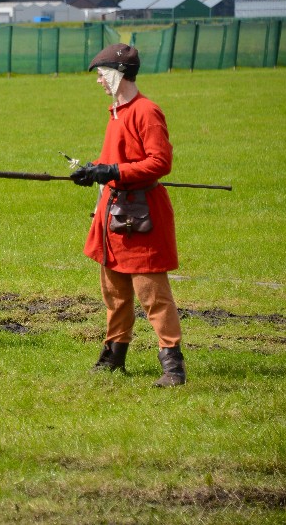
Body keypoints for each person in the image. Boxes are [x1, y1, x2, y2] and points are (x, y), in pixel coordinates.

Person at [70, 43, 186, 387]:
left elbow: (158, 162)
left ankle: (172, 367)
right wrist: (94, 171)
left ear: (120, 75)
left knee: (153, 295)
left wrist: (112, 171)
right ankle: (114, 357)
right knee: (115, 292)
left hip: (141, 215)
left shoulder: (146, 111)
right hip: (113, 213)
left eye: (103, 75)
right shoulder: (117, 112)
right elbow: (116, 161)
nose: (99, 82)